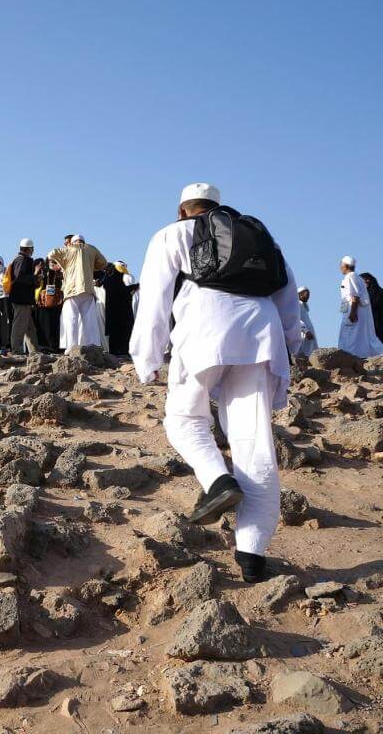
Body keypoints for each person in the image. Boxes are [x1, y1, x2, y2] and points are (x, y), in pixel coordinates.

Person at [130, 182, 301, 584]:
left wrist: (147, 358)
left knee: (184, 419)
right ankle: (252, 556)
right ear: (216, 208)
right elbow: (286, 291)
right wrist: (290, 343)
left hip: (206, 327)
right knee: (253, 442)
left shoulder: (174, 234)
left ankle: (217, 480)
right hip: (262, 333)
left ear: (182, 210)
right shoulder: (257, 236)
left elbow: (153, 297)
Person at [48, 235, 107, 351]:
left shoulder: (68, 249)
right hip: (88, 290)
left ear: (72, 242)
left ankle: (72, 347)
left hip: (72, 290)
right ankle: (93, 346)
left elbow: (51, 254)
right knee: (90, 320)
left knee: (71, 319)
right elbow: (103, 263)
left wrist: (62, 262)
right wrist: (90, 267)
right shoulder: (91, 249)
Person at [338, 256, 383, 358]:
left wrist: (352, 312)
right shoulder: (357, 277)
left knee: (352, 336)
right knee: (361, 337)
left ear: (345, 265)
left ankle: (352, 357)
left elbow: (354, 297)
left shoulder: (351, 277)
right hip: (353, 311)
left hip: (354, 312)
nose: (340, 268)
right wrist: (343, 312)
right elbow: (345, 298)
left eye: (341, 265)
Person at [8, 239, 40, 354]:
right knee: (20, 325)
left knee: (29, 327)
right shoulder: (22, 260)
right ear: (30, 249)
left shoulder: (19, 259)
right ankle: (16, 350)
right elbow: (19, 277)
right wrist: (35, 274)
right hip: (21, 298)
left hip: (23, 299)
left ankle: (34, 351)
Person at [102, 262, 138, 356]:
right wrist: (134, 287)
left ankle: (117, 353)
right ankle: (122, 352)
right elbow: (121, 291)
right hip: (121, 313)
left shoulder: (107, 280)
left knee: (115, 334)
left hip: (113, 312)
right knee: (123, 332)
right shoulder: (114, 280)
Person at [296, 287, 319, 358]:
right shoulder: (297, 305)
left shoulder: (303, 306)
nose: (308, 296)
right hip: (303, 333)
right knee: (303, 354)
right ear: (300, 295)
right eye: (306, 294)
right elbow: (297, 320)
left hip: (309, 333)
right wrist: (306, 331)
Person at [361, 273, 383, 345]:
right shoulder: (363, 293)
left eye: (367, 279)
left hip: (378, 319)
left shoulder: (378, 291)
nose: (366, 281)